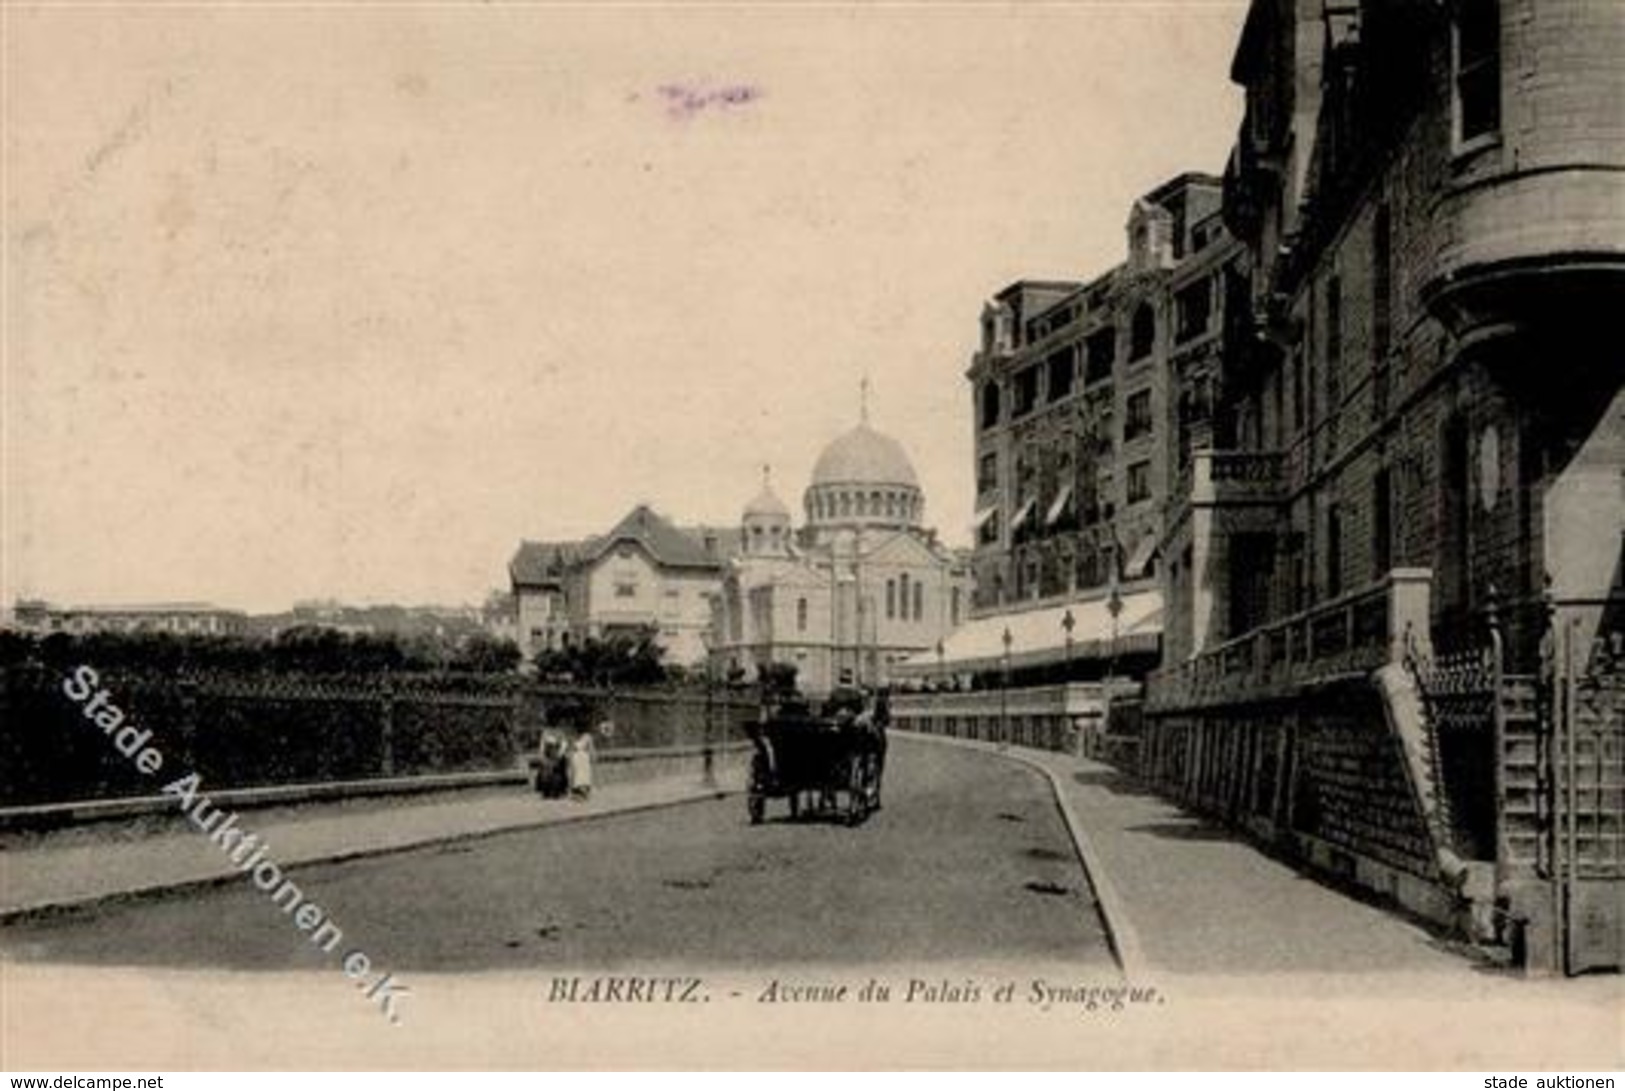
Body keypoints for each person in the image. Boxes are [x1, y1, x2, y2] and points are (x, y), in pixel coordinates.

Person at [567, 726, 596, 801]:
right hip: (576, 757)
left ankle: (585, 791)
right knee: (576, 774)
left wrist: (592, 756)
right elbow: (571, 749)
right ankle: (577, 791)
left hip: (584, 757)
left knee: (584, 774)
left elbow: (591, 748)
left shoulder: (587, 736)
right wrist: (570, 757)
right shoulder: (573, 737)